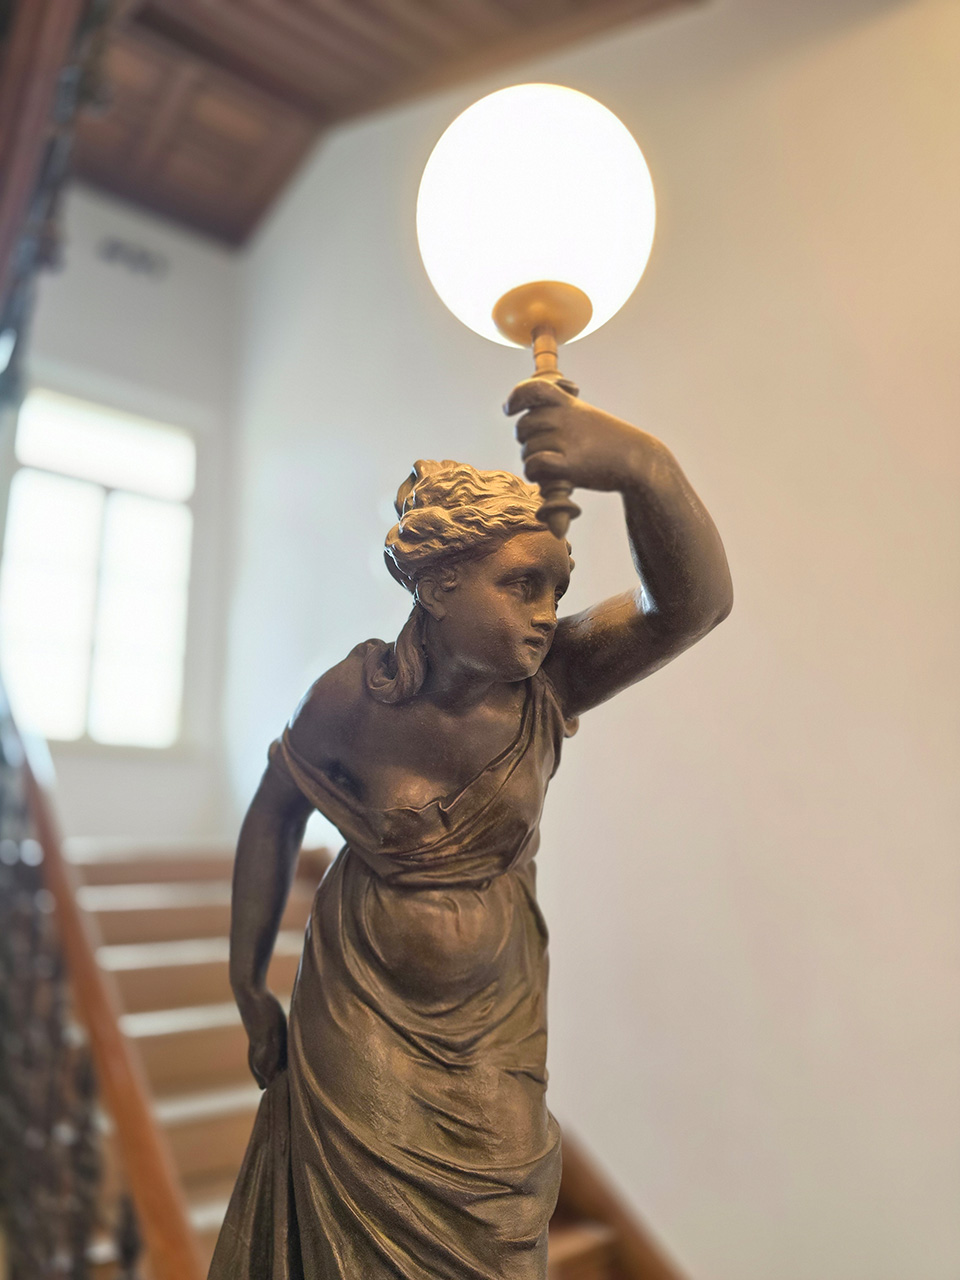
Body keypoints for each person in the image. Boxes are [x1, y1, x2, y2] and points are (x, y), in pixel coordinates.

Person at [210, 379, 733, 1280]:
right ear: (439, 583)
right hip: (359, 1006)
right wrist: (247, 980)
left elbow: (691, 607)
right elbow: (274, 809)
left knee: (494, 1244)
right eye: (522, 585)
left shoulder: (553, 679)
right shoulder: (350, 700)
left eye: (556, 588)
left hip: (495, 1019)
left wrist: (641, 466)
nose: (546, 612)